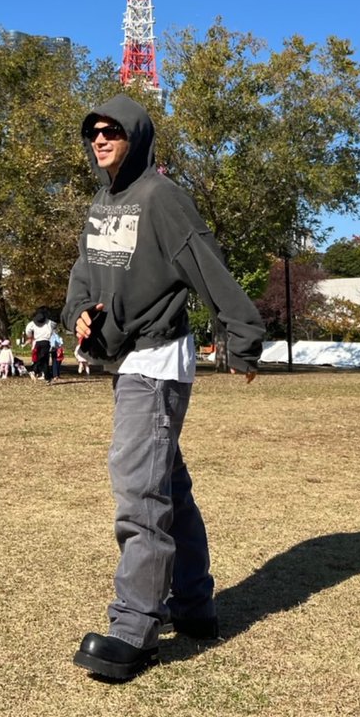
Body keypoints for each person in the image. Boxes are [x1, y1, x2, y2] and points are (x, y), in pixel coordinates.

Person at [61, 95, 264, 681]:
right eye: (93, 132)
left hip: (156, 362)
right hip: (126, 360)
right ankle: (195, 606)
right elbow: (83, 275)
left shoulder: (161, 196)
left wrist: (241, 336)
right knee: (167, 486)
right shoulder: (101, 204)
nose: (100, 139)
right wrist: (79, 316)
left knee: (138, 493)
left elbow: (206, 263)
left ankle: (134, 629)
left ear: (137, 136)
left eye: (112, 131)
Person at [24, 308, 56, 381]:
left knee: (43, 359)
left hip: (38, 342)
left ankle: (47, 377)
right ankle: (34, 370)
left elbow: (27, 330)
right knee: (43, 358)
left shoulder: (32, 324)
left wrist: (30, 335)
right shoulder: (49, 322)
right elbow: (54, 325)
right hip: (45, 341)